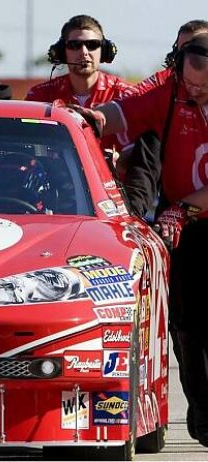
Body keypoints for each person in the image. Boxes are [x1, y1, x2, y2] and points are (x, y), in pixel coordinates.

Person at [73, 33, 208, 446]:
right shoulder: (168, 90)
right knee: (186, 326)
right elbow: (115, 114)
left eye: (205, 87)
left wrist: (182, 208)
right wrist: (85, 120)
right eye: (192, 85)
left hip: (185, 212)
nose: (196, 92)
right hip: (186, 227)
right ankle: (202, 411)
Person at [118, 20, 208, 218]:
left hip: (187, 208)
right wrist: (96, 118)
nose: (188, 60)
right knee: (149, 137)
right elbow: (125, 105)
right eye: (182, 52)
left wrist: (181, 209)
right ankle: (133, 218)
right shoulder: (167, 85)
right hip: (174, 210)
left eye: (197, 50)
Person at [25, 15, 133, 154]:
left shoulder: (126, 95)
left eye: (92, 45)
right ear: (62, 52)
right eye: (75, 45)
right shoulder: (40, 96)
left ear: (105, 51)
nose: (84, 52)